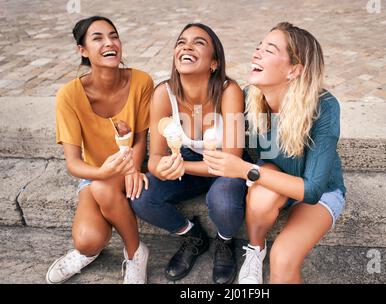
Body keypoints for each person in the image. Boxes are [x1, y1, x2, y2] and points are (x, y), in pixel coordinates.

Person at [203, 22, 346, 284]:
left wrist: (245, 169)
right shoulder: (247, 97)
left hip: (319, 192)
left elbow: (312, 190)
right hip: (274, 179)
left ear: (294, 69)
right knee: (261, 196)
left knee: (282, 257)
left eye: (268, 50)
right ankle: (256, 249)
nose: (256, 53)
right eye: (258, 47)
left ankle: (269, 251)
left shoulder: (324, 106)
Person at [131, 23, 248, 284]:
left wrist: (179, 167)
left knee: (225, 202)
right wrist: (160, 167)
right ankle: (194, 236)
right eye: (182, 41)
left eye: (199, 43)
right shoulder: (164, 93)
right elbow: (155, 159)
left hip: (227, 166)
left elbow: (231, 161)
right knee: (142, 198)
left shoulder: (230, 91)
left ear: (214, 63)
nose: (187, 46)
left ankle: (225, 241)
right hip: (192, 162)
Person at [46, 16, 153, 284]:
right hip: (94, 172)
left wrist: (132, 168)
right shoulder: (69, 95)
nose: (109, 43)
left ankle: (136, 252)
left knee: (104, 188)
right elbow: (73, 162)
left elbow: (141, 138)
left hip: (132, 167)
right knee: (86, 241)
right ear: (82, 50)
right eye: (98, 38)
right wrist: (101, 171)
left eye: (114, 36)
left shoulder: (141, 81)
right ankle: (87, 253)